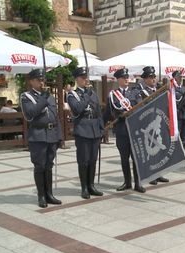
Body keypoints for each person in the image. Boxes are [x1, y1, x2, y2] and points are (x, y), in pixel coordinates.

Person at [20, 69, 62, 208]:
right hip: (38, 135)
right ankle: (41, 196)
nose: (42, 82)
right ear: (31, 81)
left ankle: (49, 194)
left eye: (43, 79)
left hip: (51, 135)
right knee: (40, 166)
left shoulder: (48, 96)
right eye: (38, 80)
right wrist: (43, 98)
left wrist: (59, 136)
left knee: (49, 165)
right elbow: (31, 114)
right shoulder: (26, 96)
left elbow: (56, 117)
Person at [105, 68, 145, 193]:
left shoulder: (135, 92)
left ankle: (138, 183)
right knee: (124, 158)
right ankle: (127, 182)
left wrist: (130, 112)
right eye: (124, 78)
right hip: (121, 130)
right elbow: (109, 112)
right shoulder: (113, 94)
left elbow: (140, 107)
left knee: (136, 157)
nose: (127, 79)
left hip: (134, 129)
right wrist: (101, 125)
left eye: (127, 77)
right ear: (118, 80)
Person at [67, 67, 104, 199]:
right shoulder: (72, 95)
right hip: (82, 129)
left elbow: (98, 111)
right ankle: (84, 188)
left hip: (94, 129)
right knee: (84, 160)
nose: (86, 79)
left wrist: (101, 128)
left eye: (86, 77)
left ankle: (91, 186)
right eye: (83, 77)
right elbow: (77, 109)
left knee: (93, 160)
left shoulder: (92, 93)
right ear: (77, 79)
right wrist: (86, 96)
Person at [135, 66, 170, 185]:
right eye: (151, 77)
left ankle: (159, 173)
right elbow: (145, 105)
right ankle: (151, 175)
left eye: (154, 76)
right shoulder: (142, 91)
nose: (153, 79)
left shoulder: (157, 89)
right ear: (145, 79)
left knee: (159, 150)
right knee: (150, 151)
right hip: (148, 124)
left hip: (158, 122)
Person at [173, 71, 185, 160]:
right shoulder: (172, 89)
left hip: (184, 116)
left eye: (181, 77)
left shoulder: (184, 89)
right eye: (178, 77)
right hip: (176, 117)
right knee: (177, 136)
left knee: (184, 136)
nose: (180, 78)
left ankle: (183, 152)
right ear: (174, 78)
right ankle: (176, 154)